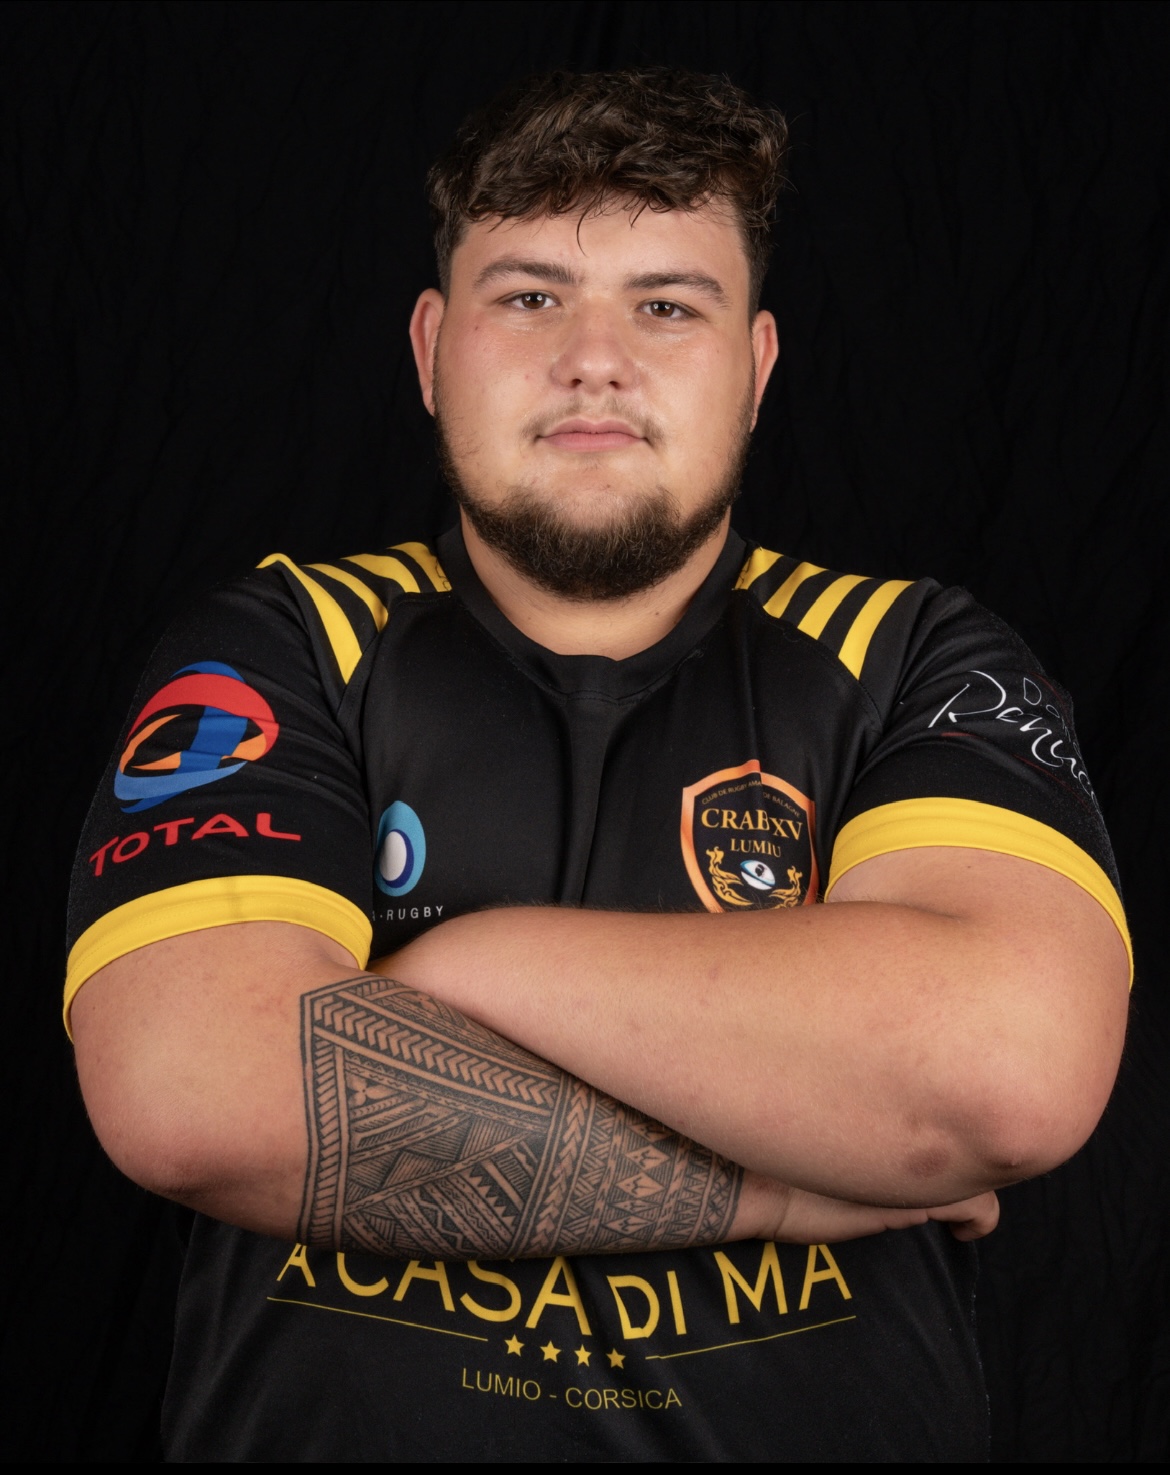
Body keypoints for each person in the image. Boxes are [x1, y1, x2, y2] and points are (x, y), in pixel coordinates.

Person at [66, 68, 1130, 1462]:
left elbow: (1001, 1073)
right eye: (528, 296)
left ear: (755, 366)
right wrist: (779, 1186)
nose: (594, 360)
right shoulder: (284, 645)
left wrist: (462, 963)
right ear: (430, 347)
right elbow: (192, 1092)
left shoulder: (911, 656)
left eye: (667, 305)